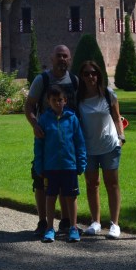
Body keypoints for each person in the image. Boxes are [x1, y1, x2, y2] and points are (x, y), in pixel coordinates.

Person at [25, 44, 80, 235]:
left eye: (65, 56)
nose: (62, 59)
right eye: (59, 56)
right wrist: (35, 125)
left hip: (68, 141)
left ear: (69, 59)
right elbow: (29, 106)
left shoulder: (74, 80)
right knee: (40, 180)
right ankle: (43, 222)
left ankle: (66, 221)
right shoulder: (42, 80)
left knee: (66, 181)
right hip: (46, 139)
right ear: (52, 58)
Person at [76, 60, 125, 239]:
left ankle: (115, 224)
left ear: (99, 75)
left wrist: (121, 137)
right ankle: (95, 222)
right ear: (82, 77)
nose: (91, 76)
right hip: (88, 147)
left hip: (109, 145)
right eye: (87, 73)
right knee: (92, 184)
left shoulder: (108, 94)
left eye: (94, 73)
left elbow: (117, 117)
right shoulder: (78, 97)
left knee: (112, 184)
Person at [33, 84, 86, 243]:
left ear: (65, 101)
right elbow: (39, 145)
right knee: (50, 197)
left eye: (60, 100)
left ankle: (73, 227)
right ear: (48, 101)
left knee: (71, 196)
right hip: (51, 166)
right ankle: (50, 228)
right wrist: (39, 165)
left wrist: (81, 162)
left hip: (69, 165)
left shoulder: (72, 118)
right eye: (54, 100)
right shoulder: (44, 120)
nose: (57, 103)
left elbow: (79, 142)